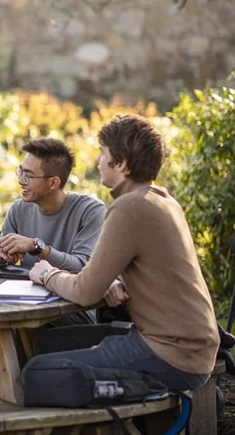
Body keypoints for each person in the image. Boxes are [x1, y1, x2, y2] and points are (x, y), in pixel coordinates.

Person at [26, 114, 219, 392]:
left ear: (122, 164)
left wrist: (48, 273)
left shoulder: (129, 208)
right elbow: (151, 266)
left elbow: (85, 292)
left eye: (103, 153)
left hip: (171, 355)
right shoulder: (162, 200)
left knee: (36, 372)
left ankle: (139, 393)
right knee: (47, 343)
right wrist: (116, 279)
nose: (98, 161)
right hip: (190, 347)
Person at [0, 137, 106, 373]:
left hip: (70, 309)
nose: (20, 181)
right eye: (20, 172)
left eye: (29, 176)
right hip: (20, 302)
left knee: (31, 329)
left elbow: (82, 266)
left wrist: (38, 248)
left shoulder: (90, 210)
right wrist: (0, 257)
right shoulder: (19, 209)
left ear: (53, 182)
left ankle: (28, 386)